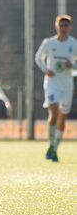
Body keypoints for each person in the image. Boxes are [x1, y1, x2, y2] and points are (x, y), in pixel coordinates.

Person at [35, 14, 76, 163]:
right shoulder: (49, 43)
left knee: (62, 117)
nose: (64, 28)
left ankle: (55, 148)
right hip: (52, 83)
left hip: (66, 85)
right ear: (56, 26)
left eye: (66, 26)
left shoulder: (74, 44)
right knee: (53, 112)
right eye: (61, 25)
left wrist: (73, 65)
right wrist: (46, 69)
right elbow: (38, 58)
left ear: (70, 28)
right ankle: (51, 144)